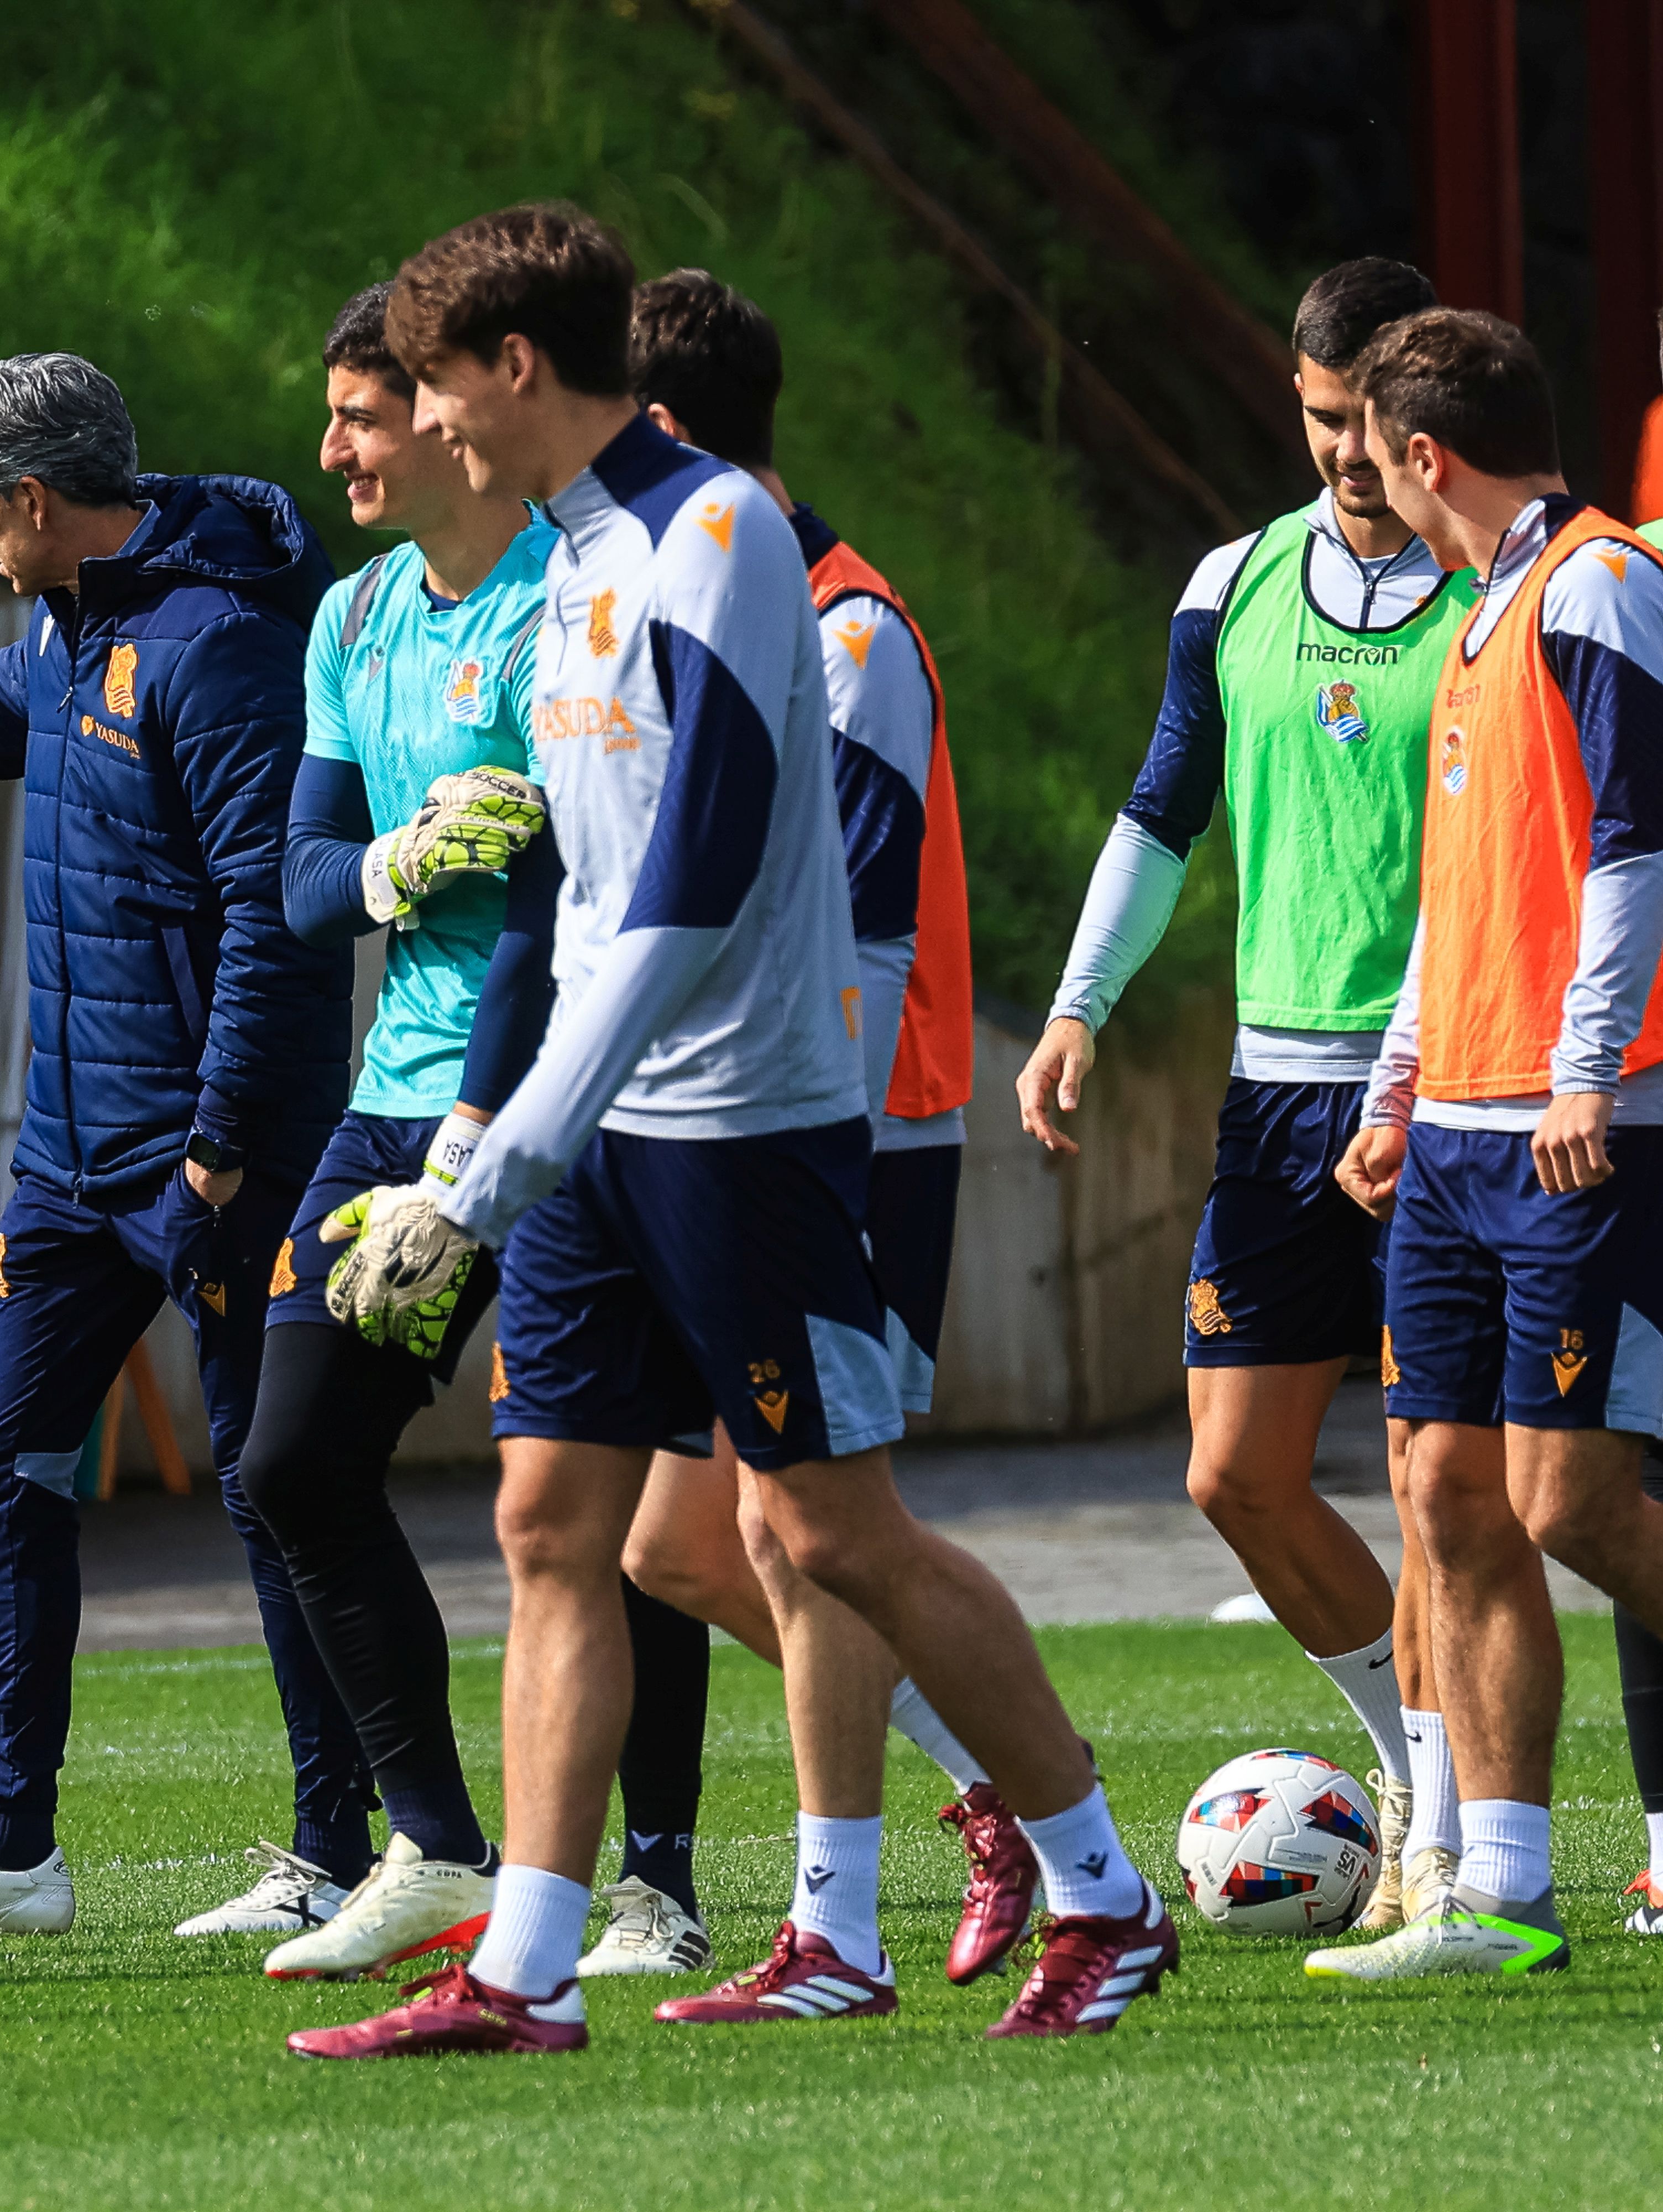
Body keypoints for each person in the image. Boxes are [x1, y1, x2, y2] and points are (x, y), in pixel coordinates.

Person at [296, 202, 1173, 2060]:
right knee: (553, 1519)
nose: (428, 426)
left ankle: (1103, 1886)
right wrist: (481, 1149)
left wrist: (506, 1160)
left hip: (741, 1124)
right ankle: (524, 1975)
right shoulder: (572, 550)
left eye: (439, 388)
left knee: (831, 1534)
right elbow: (564, 892)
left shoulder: (718, 535)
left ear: (518, 368)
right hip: (596, 1134)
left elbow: (691, 882)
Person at [0, 353, 372, 1940]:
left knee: (272, 1489)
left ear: (35, 502)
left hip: (216, 1161)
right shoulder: (72, 624)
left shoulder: (217, 644)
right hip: (67, 1161)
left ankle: (340, 1851)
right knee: (5, 1459)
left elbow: (278, 915)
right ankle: (13, 1856)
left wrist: (224, 1151)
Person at [572, 268, 1017, 2016]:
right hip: (716, 1130)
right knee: (683, 1542)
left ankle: (865, 1914)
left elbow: (855, 930)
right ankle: (998, 1810)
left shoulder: (842, 630)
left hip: (850, 1132)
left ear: (662, 426)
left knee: (807, 1525)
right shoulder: (692, 597)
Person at [1019, 259, 1467, 1930]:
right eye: (1321, 416)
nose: (1349, 452)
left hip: (1453, 1089)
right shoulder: (1233, 583)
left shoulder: (1503, 585)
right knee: (1235, 1472)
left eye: (1374, 419)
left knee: (1446, 1480)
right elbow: (1163, 809)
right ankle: (1408, 1769)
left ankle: (1459, 1842)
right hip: (1279, 1090)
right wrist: (1076, 1010)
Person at [1319, 307, 1663, 1978]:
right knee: (1451, 1497)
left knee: (1576, 1499)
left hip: (1566, 1129)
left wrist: (1586, 1067)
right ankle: (1504, 1897)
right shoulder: (1473, 622)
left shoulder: (1595, 581)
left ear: (1426, 456)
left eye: (1370, 450)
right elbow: (1461, 901)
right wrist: (1395, 1090)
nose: (1357, 477)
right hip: (1452, 1131)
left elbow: (1635, 840)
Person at [233, 284, 548, 1983]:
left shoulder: (562, 603)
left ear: (446, 420)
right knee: (287, 1463)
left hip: (531, 1100)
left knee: (630, 1505)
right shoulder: (352, 621)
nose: (336, 448)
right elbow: (295, 891)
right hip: (385, 1098)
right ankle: (435, 1844)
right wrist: (397, 865)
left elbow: (565, 909)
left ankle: (652, 1873)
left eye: (361, 415)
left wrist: (474, 1147)